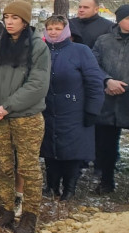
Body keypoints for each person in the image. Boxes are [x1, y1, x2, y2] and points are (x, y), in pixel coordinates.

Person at [0, 0, 51, 233]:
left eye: (14, 18)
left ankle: (29, 215)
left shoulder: (38, 48)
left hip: (25, 117)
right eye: (6, 17)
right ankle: (6, 208)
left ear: (25, 21)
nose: (9, 21)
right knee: (3, 165)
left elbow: (37, 84)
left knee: (28, 168)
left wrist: (7, 106)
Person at [41, 15, 104, 200]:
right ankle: (51, 186)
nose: (53, 32)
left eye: (58, 29)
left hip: (74, 110)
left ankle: (69, 188)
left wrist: (93, 109)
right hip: (48, 108)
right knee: (50, 149)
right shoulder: (42, 51)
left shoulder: (81, 51)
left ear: (67, 31)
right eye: (50, 29)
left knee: (71, 151)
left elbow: (94, 81)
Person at [92, 4, 129, 198]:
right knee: (106, 147)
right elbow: (94, 64)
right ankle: (106, 182)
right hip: (109, 102)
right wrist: (107, 81)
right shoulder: (104, 41)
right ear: (119, 21)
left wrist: (123, 84)